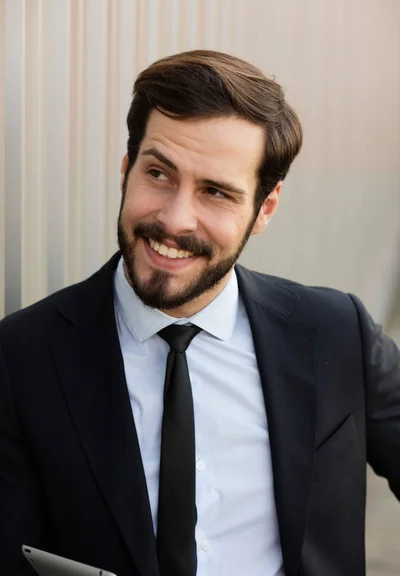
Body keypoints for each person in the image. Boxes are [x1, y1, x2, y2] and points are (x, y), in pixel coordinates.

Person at [0, 50, 399, 576]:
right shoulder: (20, 356)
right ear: (126, 170)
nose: (174, 219)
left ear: (264, 208)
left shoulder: (336, 331)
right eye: (159, 173)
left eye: (215, 192)